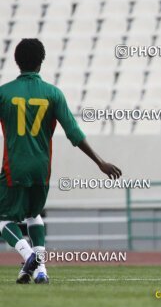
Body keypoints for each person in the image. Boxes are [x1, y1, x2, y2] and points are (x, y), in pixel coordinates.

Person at [0, 38, 122, 284]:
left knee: (4, 219)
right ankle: (40, 270)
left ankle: (28, 255)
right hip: (42, 168)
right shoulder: (53, 94)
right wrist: (100, 162)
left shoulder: (4, 93)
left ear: (16, 61)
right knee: (34, 214)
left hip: (14, 166)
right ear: (41, 62)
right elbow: (74, 133)